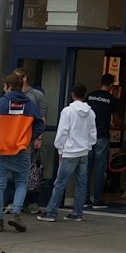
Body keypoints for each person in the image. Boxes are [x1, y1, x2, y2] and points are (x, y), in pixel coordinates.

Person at [0, 70, 44, 233]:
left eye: (4, 86)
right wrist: (28, 139)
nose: (3, 89)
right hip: (22, 149)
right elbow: (40, 125)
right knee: (21, 183)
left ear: (10, 87)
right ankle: (16, 214)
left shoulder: (0, 103)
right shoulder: (30, 104)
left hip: (2, 149)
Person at [40, 83, 97, 222]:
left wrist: (60, 149)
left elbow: (62, 132)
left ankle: (51, 212)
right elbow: (93, 133)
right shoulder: (90, 112)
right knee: (81, 184)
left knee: (60, 183)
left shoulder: (67, 111)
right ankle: (77, 212)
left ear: (72, 95)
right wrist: (88, 146)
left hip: (70, 152)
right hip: (84, 152)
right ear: (84, 95)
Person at [84, 73, 118, 209]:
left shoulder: (90, 96)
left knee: (86, 167)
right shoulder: (111, 99)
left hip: (88, 136)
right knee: (99, 169)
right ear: (111, 85)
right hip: (102, 136)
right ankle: (97, 199)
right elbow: (116, 119)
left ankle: (85, 198)